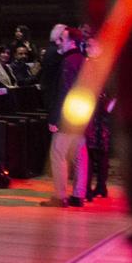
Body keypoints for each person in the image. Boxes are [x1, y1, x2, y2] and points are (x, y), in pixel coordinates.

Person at [41, 23, 87, 207]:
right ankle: (79, 194)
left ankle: (60, 196)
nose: (60, 41)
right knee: (80, 155)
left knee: (58, 154)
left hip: (67, 116)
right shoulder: (82, 59)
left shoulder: (68, 62)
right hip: (81, 114)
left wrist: (54, 119)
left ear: (72, 41)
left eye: (64, 38)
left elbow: (64, 92)